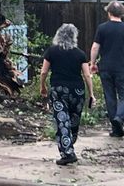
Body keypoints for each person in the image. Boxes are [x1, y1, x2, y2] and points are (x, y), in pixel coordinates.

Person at [39, 23, 95, 165]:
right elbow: (87, 75)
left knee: (62, 120)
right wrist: (91, 93)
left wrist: (43, 86)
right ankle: (69, 144)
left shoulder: (51, 51)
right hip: (77, 91)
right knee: (74, 119)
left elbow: (44, 71)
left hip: (59, 90)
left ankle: (67, 152)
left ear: (59, 35)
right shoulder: (80, 53)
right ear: (74, 36)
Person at [89, 0, 124, 137]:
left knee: (109, 97)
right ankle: (119, 117)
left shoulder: (102, 28)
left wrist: (92, 63)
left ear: (109, 13)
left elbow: (95, 47)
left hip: (106, 67)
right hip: (122, 68)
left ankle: (116, 129)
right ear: (122, 14)